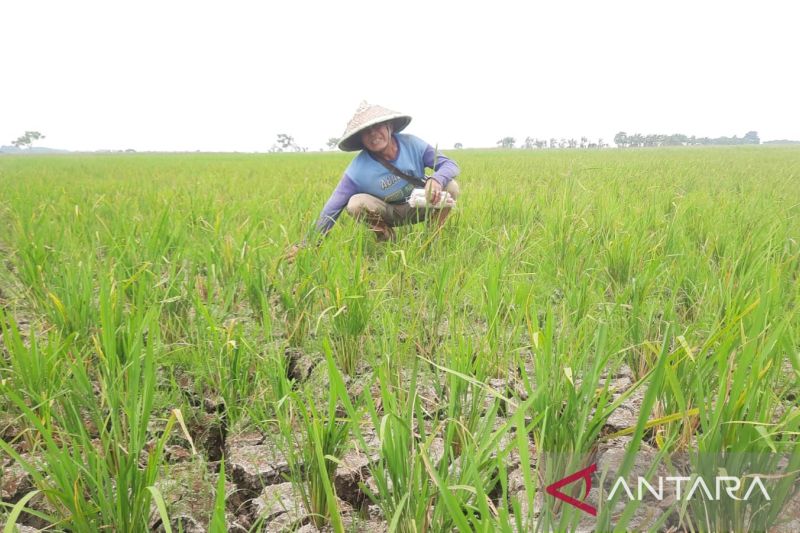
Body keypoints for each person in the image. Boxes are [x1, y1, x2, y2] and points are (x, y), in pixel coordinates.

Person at [289, 102, 461, 258]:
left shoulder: (412, 144)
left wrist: (436, 180)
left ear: (389, 127)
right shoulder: (357, 170)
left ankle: (431, 239)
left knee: (451, 186)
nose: (373, 135)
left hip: (419, 204)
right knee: (355, 203)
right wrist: (308, 244)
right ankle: (386, 237)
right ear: (361, 139)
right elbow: (331, 208)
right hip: (389, 212)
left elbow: (449, 164)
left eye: (377, 127)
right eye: (366, 132)